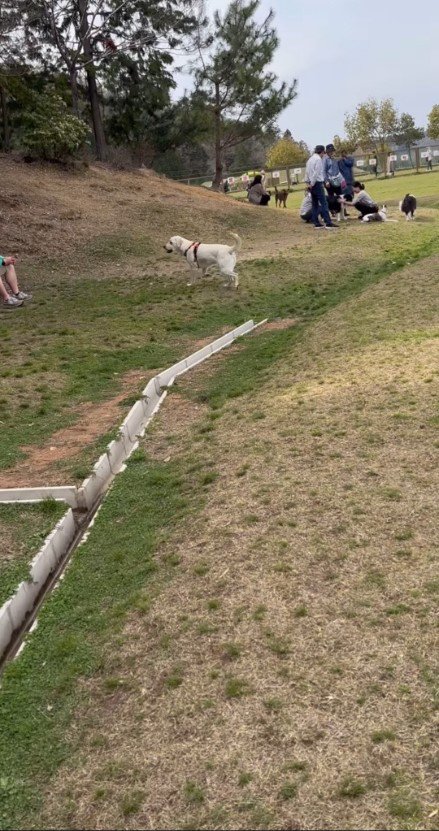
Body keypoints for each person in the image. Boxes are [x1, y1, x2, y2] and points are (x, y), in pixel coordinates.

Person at [304, 145, 337, 229]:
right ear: (322, 152)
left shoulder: (310, 159)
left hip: (311, 184)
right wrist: (312, 183)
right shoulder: (318, 159)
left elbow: (307, 172)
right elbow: (317, 173)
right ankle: (328, 222)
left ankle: (316, 223)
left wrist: (308, 183)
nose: (323, 155)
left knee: (314, 203)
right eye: (323, 153)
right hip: (317, 183)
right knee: (324, 203)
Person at [323, 143, 344, 214]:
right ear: (327, 151)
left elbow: (337, 170)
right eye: (330, 151)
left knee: (340, 195)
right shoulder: (325, 159)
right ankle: (332, 211)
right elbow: (324, 171)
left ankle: (342, 211)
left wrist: (341, 180)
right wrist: (326, 181)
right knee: (331, 197)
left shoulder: (334, 159)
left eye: (333, 151)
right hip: (329, 181)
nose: (332, 152)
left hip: (336, 180)